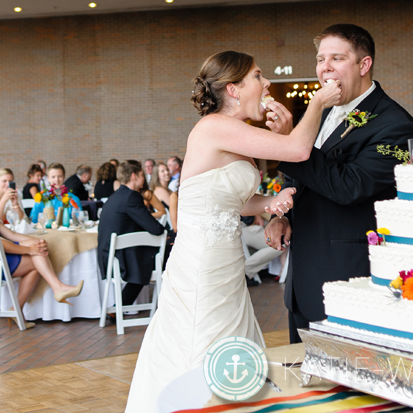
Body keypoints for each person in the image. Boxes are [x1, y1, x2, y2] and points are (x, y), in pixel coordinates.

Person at [125, 49, 344, 412]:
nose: (267, 83)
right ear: (233, 89)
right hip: (203, 264)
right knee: (203, 339)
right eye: (258, 76)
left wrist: (269, 202)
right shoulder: (215, 126)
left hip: (225, 263)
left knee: (231, 340)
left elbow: (231, 201)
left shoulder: (235, 132)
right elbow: (298, 148)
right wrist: (318, 101)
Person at [264, 23, 413, 345]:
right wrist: (282, 216)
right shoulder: (321, 116)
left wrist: (296, 133)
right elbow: (299, 179)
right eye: (321, 59)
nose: (325, 68)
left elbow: (351, 186)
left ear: (364, 65)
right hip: (302, 280)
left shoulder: (395, 124)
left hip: (348, 277)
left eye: (337, 58)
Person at [0, 174, 82, 310]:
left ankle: (17, 310)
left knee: (36, 259)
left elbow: (10, 234)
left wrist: (35, 242)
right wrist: (29, 249)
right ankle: (57, 288)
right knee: (36, 257)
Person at [98, 161, 166, 307]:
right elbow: (156, 229)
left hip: (109, 256)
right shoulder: (131, 197)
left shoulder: (116, 196)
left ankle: (119, 307)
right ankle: (169, 305)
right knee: (170, 252)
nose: (144, 180)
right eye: (142, 175)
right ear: (134, 176)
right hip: (121, 259)